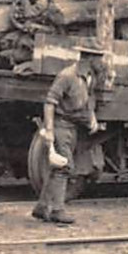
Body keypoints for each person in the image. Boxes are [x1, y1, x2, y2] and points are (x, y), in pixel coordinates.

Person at [31, 43, 105, 226]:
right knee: (65, 167)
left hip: (73, 128)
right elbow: (50, 102)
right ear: (89, 59)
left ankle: (42, 207)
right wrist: (49, 130)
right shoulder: (67, 76)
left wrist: (92, 118)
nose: (102, 62)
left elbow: (90, 97)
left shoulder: (89, 77)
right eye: (99, 58)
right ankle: (57, 210)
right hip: (61, 125)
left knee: (59, 167)